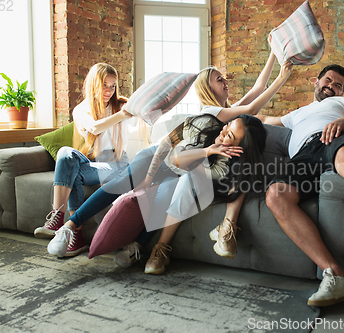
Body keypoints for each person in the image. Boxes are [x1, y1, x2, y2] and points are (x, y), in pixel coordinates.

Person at [46, 53, 293, 262]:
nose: (225, 82)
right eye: (220, 79)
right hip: (155, 157)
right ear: (208, 88)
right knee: (120, 184)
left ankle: (137, 247)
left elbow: (256, 92)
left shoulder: (228, 116)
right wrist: (282, 76)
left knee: (161, 202)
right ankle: (69, 227)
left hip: (175, 168)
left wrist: (273, 55)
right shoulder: (214, 112)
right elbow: (251, 108)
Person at [257, 64, 344, 307]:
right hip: (302, 158)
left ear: (342, 92)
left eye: (338, 85)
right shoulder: (297, 113)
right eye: (328, 81)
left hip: (333, 137)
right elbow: (265, 119)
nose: (332, 86)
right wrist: (231, 113)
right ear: (316, 81)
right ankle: (337, 275)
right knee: (275, 196)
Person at [34, 63, 146, 257]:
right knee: (65, 153)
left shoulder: (120, 105)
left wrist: (134, 108)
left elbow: (142, 117)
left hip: (119, 164)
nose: (109, 91)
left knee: (74, 173)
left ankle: (75, 236)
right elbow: (94, 128)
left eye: (113, 86)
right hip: (96, 163)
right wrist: (122, 115)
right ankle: (58, 217)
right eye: (105, 85)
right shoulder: (81, 110)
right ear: (94, 84)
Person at [142, 114, 267, 274]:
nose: (223, 131)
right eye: (228, 124)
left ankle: (162, 248)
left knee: (190, 179)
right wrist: (207, 150)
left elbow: (185, 166)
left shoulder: (224, 167)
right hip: (157, 159)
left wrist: (210, 153)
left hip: (179, 174)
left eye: (229, 135)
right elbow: (172, 153)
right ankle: (153, 247)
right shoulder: (206, 123)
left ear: (238, 148)